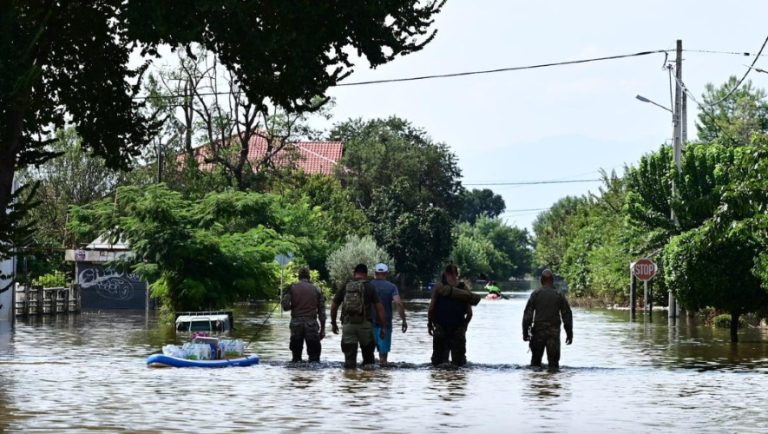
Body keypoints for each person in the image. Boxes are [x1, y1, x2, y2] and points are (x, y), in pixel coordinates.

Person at [331, 264, 387, 369]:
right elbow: (380, 309)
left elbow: (334, 307)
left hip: (348, 325)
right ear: (366, 274)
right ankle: (365, 382)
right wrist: (383, 327)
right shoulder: (370, 287)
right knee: (369, 362)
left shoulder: (346, 286)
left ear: (354, 273)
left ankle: (350, 381)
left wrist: (334, 323)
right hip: (365, 326)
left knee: (349, 362)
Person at [522, 269, 573, 372]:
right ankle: (553, 384)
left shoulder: (536, 294)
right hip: (553, 334)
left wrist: (525, 333)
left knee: (535, 365)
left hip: (538, 333)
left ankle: (537, 383)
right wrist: (569, 333)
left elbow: (527, 315)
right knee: (554, 365)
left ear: (541, 280)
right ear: (552, 280)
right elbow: (567, 315)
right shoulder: (559, 295)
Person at [427, 264, 476, 366]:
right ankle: (456, 379)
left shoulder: (439, 287)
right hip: (458, 329)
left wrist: (430, 324)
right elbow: (470, 313)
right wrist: (464, 326)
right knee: (459, 364)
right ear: (457, 274)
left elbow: (431, 309)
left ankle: (439, 381)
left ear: (445, 273)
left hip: (441, 328)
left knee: (438, 364)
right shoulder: (463, 289)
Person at [281, 267, 326, 362]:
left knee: (296, 359)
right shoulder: (317, 289)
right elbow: (322, 312)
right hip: (311, 324)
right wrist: (322, 330)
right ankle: (311, 376)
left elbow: (285, 306)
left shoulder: (292, 287)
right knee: (314, 360)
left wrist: (293, 306)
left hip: (296, 324)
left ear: (299, 276)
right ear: (309, 276)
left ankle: (297, 375)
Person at [370, 263, 407, 365]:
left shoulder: (368, 286)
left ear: (375, 273)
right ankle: (383, 379)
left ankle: (368, 378)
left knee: (368, 358)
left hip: (369, 325)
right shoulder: (392, 287)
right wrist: (404, 321)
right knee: (383, 361)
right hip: (385, 326)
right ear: (386, 273)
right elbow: (398, 304)